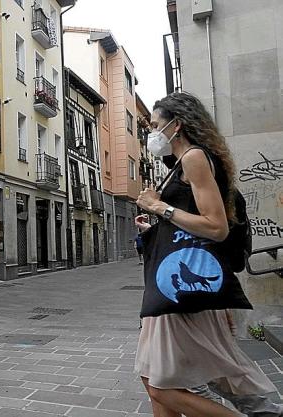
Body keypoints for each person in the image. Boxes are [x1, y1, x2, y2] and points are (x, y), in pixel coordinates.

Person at [134, 92, 282, 417]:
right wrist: (155, 225)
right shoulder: (180, 165)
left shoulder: (194, 157)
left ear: (178, 124)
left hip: (180, 291)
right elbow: (188, 226)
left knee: (161, 386)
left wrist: (159, 206)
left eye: (156, 125)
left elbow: (216, 227)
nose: (151, 134)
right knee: (157, 383)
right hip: (173, 283)